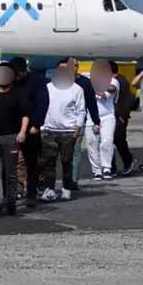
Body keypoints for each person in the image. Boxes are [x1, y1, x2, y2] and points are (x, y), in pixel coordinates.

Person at [0, 63, 26, 215]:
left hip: (11, 137)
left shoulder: (18, 94)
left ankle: (10, 200)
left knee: (10, 172)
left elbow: (25, 115)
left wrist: (22, 132)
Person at [40, 64, 86, 202]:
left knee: (66, 161)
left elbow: (81, 110)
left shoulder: (76, 89)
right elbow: (42, 107)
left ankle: (66, 188)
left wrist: (77, 128)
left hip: (68, 131)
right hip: (49, 130)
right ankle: (50, 189)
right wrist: (42, 127)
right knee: (48, 162)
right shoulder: (48, 88)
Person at [11, 57, 48, 207]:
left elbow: (42, 103)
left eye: (19, 74)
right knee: (11, 163)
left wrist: (37, 124)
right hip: (11, 127)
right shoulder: (10, 82)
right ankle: (13, 193)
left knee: (32, 162)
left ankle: (32, 192)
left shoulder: (36, 82)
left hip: (31, 127)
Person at [63, 58, 101, 188]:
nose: (73, 68)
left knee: (76, 151)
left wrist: (96, 121)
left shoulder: (85, 83)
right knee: (62, 153)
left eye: (75, 66)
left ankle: (73, 180)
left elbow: (91, 102)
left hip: (78, 122)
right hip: (60, 123)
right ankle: (65, 178)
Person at [84, 59, 118, 180]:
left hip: (107, 116)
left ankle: (107, 168)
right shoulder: (87, 79)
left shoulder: (113, 80)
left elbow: (109, 91)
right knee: (92, 144)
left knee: (107, 142)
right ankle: (96, 171)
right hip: (90, 117)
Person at [110, 62, 136, 175]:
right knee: (108, 141)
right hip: (110, 116)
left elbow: (128, 99)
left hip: (119, 116)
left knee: (118, 140)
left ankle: (128, 160)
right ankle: (111, 168)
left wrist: (122, 116)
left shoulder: (121, 81)